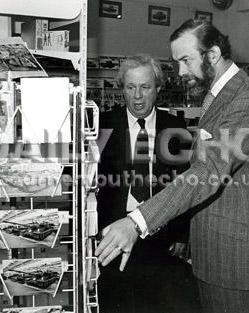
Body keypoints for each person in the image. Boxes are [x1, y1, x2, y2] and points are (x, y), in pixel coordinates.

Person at [95, 20, 249, 313]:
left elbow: (208, 171)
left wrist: (137, 221)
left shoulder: (246, 102)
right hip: (213, 248)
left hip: (234, 257)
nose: (181, 72)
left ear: (212, 55)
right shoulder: (220, 96)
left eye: (186, 60)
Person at [96, 54, 197, 313]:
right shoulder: (103, 126)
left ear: (158, 88)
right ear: (122, 89)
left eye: (145, 87)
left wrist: (182, 234)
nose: (138, 96)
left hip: (160, 232)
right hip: (112, 232)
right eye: (130, 87)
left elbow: (184, 182)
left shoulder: (175, 127)